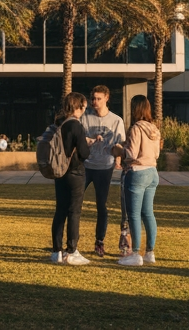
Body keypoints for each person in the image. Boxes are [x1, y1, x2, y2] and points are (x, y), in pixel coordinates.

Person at [50, 92, 98, 265]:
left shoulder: (59, 123)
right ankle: (71, 251)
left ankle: (56, 251)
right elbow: (84, 153)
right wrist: (87, 144)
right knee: (74, 211)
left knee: (60, 210)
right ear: (79, 106)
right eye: (84, 106)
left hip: (59, 172)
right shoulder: (76, 125)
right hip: (75, 172)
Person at [112, 94, 161, 266]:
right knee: (148, 213)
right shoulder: (154, 129)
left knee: (133, 214)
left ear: (135, 109)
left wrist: (119, 150)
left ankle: (135, 253)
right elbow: (156, 154)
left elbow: (131, 153)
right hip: (152, 171)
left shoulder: (135, 128)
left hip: (137, 171)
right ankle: (150, 252)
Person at [80, 85, 126, 257]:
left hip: (104, 167)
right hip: (85, 166)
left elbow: (121, 144)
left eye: (98, 99)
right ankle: (70, 241)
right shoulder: (84, 118)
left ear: (107, 98)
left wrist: (118, 158)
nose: (95, 102)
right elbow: (78, 138)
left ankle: (99, 241)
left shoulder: (116, 120)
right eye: (93, 98)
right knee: (75, 202)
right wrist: (89, 139)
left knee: (102, 205)